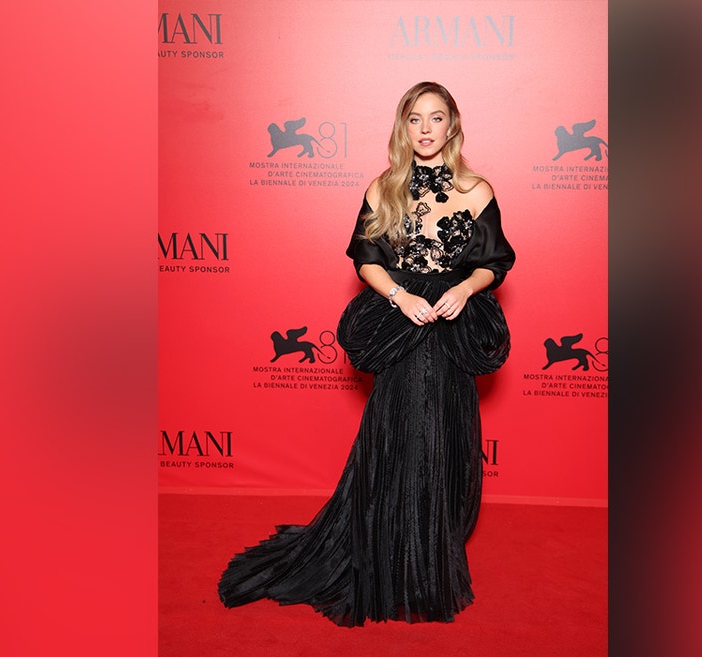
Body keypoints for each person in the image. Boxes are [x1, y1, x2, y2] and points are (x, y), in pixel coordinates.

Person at [217, 81, 515, 627]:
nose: (426, 130)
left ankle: (433, 557)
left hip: (449, 328)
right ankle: (386, 553)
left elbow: (493, 262)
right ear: (403, 126)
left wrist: (465, 289)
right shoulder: (383, 189)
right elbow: (366, 261)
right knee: (399, 435)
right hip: (402, 326)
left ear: (453, 125)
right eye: (415, 119)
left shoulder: (477, 189)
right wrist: (400, 296)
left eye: (436, 118)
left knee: (443, 438)